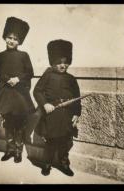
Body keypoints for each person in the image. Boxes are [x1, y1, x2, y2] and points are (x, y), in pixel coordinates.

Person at [33, 39, 81, 176]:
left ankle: (64, 163)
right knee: (51, 142)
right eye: (59, 62)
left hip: (66, 116)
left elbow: (77, 99)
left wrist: (76, 114)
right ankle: (46, 164)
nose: (62, 65)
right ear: (53, 62)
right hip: (51, 115)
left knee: (65, 142)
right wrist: (45, 104)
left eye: (65, 62)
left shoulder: (72, 79)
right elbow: (37, 91)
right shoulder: (47, 75)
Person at [0, 17, 35, 163]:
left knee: (20, 124)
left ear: (19, 41)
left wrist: (18, 79)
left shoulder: (24, 56)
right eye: (9, 37)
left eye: (15, 39)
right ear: (5, 37)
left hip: (20, 95)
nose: (12, 41)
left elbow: (30, 73)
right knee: (8, 123)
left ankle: (18, 151)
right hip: (5, 94)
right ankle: (9, 150)